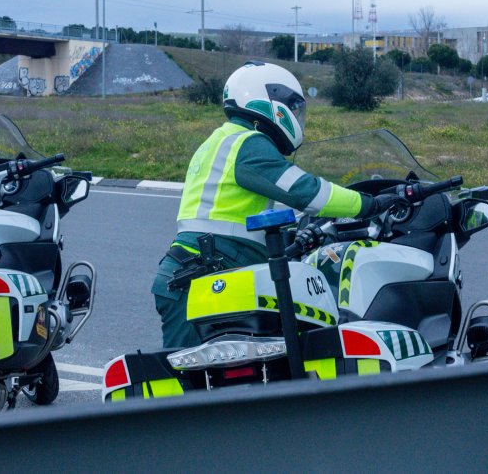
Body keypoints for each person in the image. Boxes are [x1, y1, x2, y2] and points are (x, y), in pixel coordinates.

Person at [152, 61, 403, 348]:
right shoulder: (247, 143)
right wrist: (370, 204)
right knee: (193, 380)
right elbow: (307, 193)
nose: (297, 116)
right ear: (268, 102)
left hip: (200, 269)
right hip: (205, 274)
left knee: (221, 370)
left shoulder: (221, 139)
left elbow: (243, 209)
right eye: (292, 107)